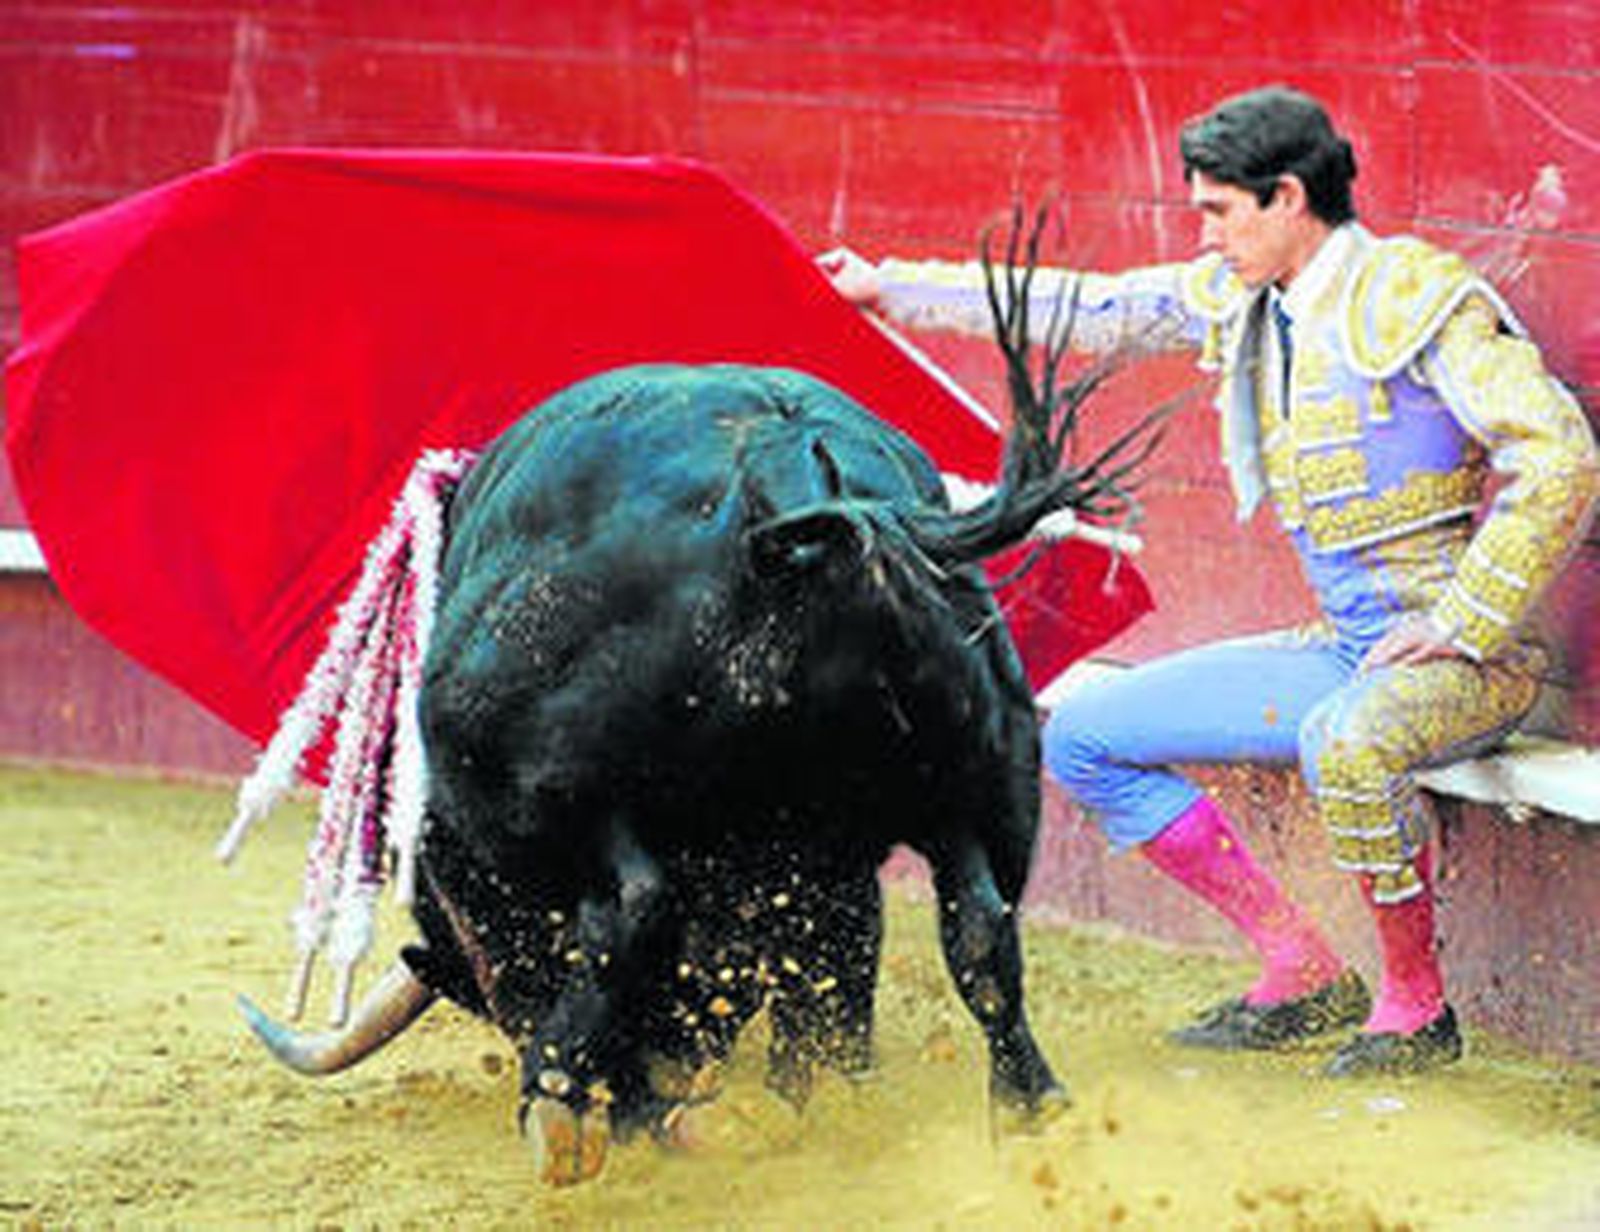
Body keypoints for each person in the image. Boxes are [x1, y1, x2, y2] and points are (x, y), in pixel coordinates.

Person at [823, 85, 1600, 1076]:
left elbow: (1559, 455)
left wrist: (1465, 617)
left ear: (1286, 197)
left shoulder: (1415, 296)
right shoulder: (1250, 298)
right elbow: (1097, 307)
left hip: (1469, 662)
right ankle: (1298, 963)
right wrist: (889, 288)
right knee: (1093, 736)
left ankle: (1415, 1008)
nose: (1205, 235)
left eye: (1217, 211)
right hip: (1354, 653)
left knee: (1347, 740)